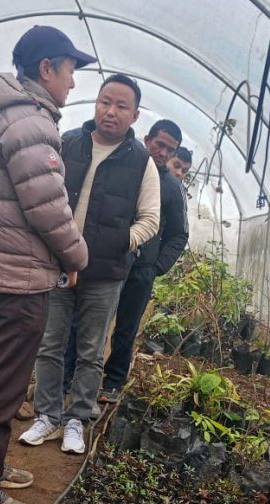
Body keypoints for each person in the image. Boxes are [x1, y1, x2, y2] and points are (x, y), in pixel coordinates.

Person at [0, 25, 93, 504]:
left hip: (8, 267)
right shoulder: (28, 120)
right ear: (46, 68)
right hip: (20, 273)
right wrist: (76, 257)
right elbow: (48, 206)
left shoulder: (6, 113)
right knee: (3, 381)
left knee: (0, 375)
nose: (72, 82)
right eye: (69, 70)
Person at [20, 74, 160, 455]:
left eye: (121, 106)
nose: (110, 111)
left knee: (91, 351)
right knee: (50, 345)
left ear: (135, 116)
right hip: (58, 266)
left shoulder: (141, 162)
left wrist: (116, 245)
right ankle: (47, 415)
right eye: (104, 102)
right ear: (95, 103)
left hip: (104, 274)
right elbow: (43, 195)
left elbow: (150, 220)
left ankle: (76, 419)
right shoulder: (67, 144)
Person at [99, 120, 189, 401]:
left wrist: (156, 267)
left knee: (127, 327)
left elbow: (179, 234)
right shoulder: (125, 170)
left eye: (170, 150)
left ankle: (113, 381)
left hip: (141, 270)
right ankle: (79, 376)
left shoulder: (171, 187)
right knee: (95, 320)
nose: (163, 152)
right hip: (108, 261)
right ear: (148, 139)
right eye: (159, 144)